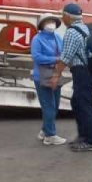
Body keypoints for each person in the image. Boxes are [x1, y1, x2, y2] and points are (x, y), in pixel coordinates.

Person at [48, 3, 92, 152]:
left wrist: (56, 75)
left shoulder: (71, 32)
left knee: (84, 105)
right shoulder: (85, 28)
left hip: (83, 72)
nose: (61, 18)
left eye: (62, 15)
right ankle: (83, 136)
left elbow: (65, 57)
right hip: (91, 72)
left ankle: (91, 141)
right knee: (77, 102)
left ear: (67, 16)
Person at [32, 13, 67, 146]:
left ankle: (44, 130)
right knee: (48, 106)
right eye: (47, 22)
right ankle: (50, 136)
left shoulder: (58, 37)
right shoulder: (37, 39)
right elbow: (37, 57)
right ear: (42, 25)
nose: (50, 24)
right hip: (41, 76)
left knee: (55, 105)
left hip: (56, 73)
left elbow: (64, 53)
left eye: (52, 21)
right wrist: (56, 59)